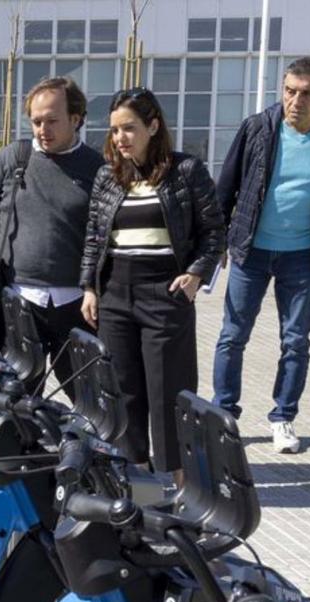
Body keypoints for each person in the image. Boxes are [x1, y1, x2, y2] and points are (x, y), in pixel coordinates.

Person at [213, 57, 310, 454]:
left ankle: (283, 418)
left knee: (295, 341)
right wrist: (219, 243)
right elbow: (226, 187)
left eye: (306, 93)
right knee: (232, 335)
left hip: (303, 255)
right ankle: (224, 414)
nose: (295, 100)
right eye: (289, 90)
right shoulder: (259, 127)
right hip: (251, 250)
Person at [80, 88, 224, 484]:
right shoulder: (107, 176)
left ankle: (176, 483)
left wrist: (196, 273)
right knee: (122, 391)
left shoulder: (187, 171)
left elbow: (214, 232)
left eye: (129, 128)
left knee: (167, 393)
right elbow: (94, 237)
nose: (120, 138)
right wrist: (90, 288)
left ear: (153, 125)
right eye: (113, 131)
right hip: (115, 293)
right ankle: (136, 483)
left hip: (165, 291)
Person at [0, 77, 104, 395]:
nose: (42, 129)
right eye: (36, 121)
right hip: (18, 305)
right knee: (14, 403)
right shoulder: (14, 158)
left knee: (91, 405)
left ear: (75, 119)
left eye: (52, 120)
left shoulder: (97, 168)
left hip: (76, 308)